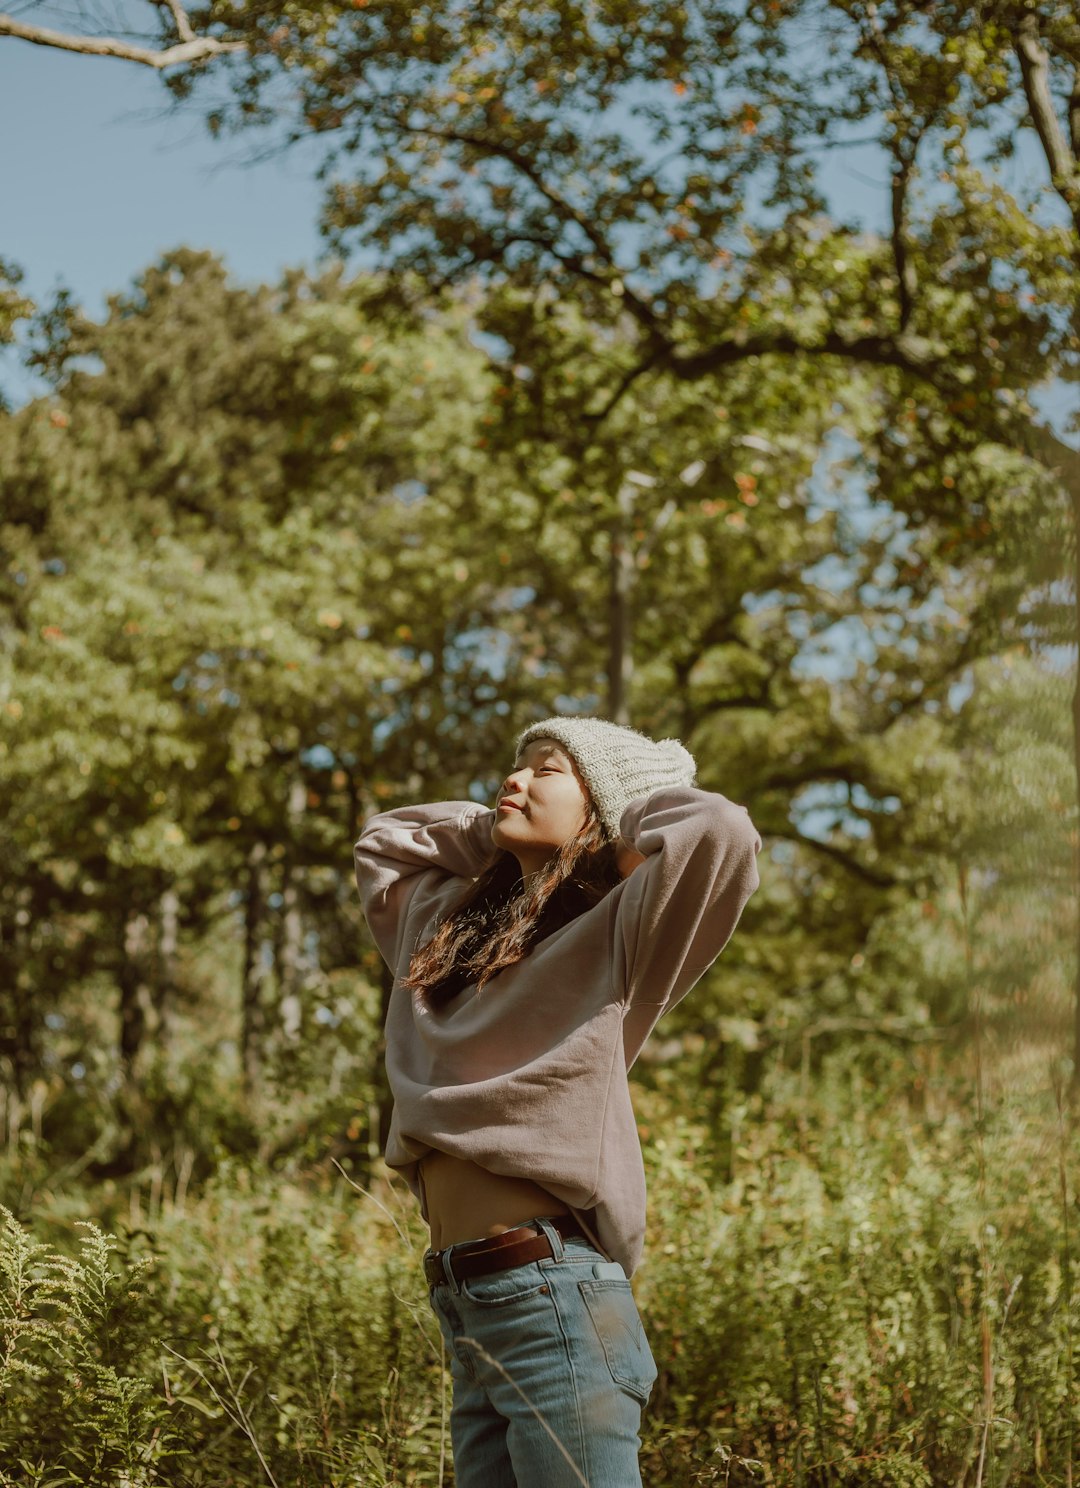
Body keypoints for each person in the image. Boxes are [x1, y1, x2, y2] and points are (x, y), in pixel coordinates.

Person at [354, 715, 762, 1488]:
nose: (514, 781)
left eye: (546, 771)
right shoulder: (442, 935)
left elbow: (722, 832)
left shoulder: (618, 934)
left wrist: (618, 811)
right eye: (515, 768)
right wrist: (499, 832)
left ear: (600, 806)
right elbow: (385, 840)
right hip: (466, 1306)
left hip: (554, 1300)